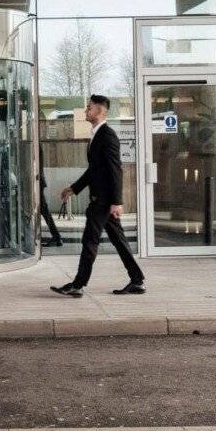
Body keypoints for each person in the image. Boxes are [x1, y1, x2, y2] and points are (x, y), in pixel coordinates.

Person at [50, 95, 145, 298]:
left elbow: (115, 169)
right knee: (119, 240)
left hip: (103, 201)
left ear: (101, 111)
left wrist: (116, 202)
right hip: (102, 200)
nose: (86, 110)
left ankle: (78, 284)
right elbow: (95, 170)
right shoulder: (97, 134)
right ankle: (137, 280)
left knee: (89, 241)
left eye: (89, 107)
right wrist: (74, 188)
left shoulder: (107, 135)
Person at [38, 145, 63, 247]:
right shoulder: (38, 145)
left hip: (37, 183)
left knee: (44, 210)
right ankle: (56, 237)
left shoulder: (36, 145)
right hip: (39, 182)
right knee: (44, 210)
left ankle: (57, 237)